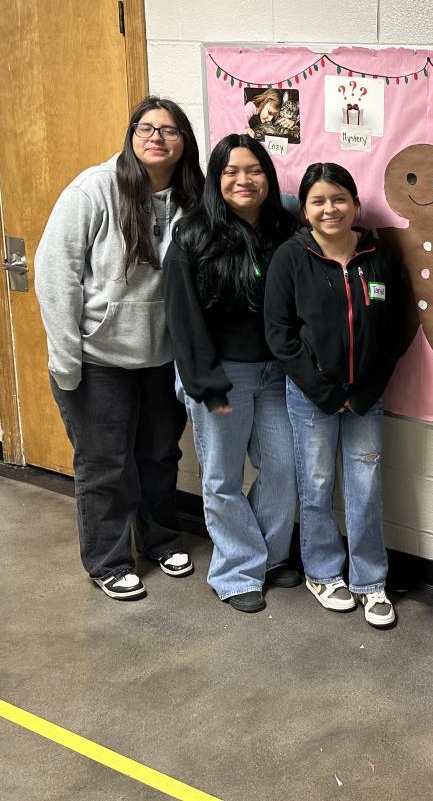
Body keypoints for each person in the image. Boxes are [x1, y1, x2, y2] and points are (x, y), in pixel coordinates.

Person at [36, 96, 204, 601]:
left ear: (184, 142)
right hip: (98, 359)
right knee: (105, 463)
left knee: (159, 455)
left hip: (161, 358)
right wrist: (66, 359)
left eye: (169, 130)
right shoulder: (94, 189)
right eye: (145, 128)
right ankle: (107, 561)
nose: (157, 137)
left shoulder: (193, 197)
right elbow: (55, 273)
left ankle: (160, 540)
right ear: (131, 136)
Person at [264, 163, 407, 628]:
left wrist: (365, 391)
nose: (331, 209)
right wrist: (324, 392)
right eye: (319, 201)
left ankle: (370, 581)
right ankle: (323, 573)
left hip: (366, 398)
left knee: (366, 487)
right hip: (311, 398)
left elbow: (397, 329)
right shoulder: (291, 257)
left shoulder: (379, 256)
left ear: (356, 204)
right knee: (317, 484)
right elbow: (280, 334)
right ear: (305, 210)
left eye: (339, 198)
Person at [163, 133, 300, 614]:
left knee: (284, 468)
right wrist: (205, 383)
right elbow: (182, 317)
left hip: (278, 374)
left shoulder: (286, 229)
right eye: (231, 172)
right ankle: (236, 571)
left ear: (268, 176)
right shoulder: (192, 235)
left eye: (254, 170)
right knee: (222, 478)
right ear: (215, 180)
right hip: (223, 376)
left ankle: (270, 556)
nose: (244, 180)